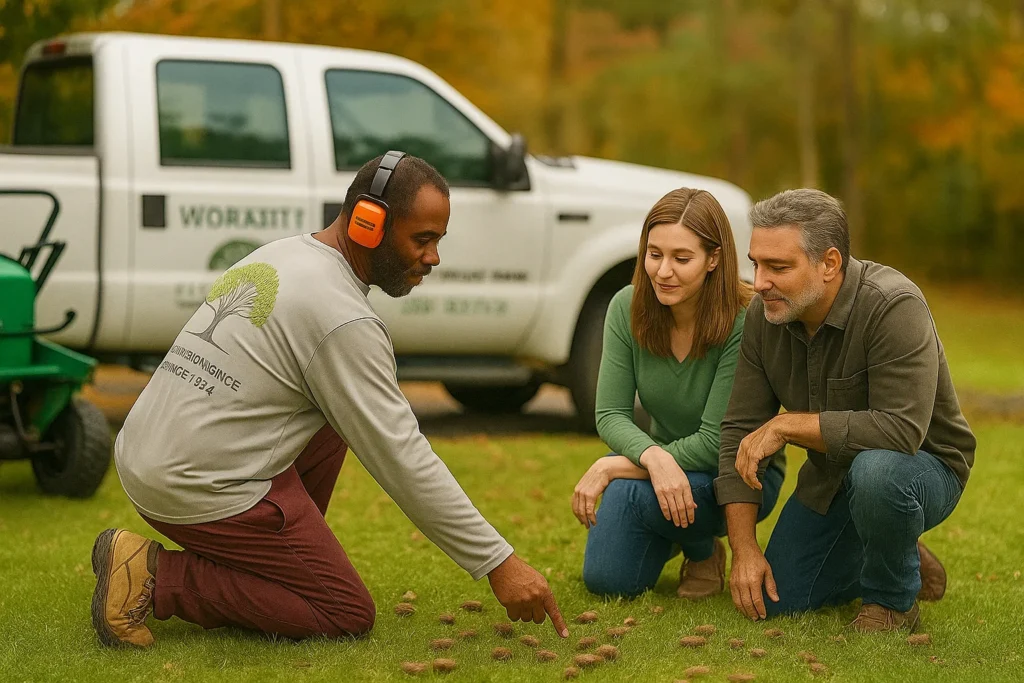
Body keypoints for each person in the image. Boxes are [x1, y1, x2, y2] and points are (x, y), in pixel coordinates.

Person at [91, 152, 568, 648]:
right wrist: (498, 563)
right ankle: (153, 573)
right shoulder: (342, 319)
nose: (434, 257)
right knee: (341, 610)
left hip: (146, 455)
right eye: (422, 239)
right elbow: (401, 456)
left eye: (438, 241)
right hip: (193, 484)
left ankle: (272, 567)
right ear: (368, 224)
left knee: (334, 417)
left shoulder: (283, 254)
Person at [716, 188, 976, 632]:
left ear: (829, 263)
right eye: (757, 263)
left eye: (779, 267)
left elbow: (901, 432)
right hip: (832, 478)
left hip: (922, 469)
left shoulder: (894, 305)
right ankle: (892, 545)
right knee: (776, 602)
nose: (759, 282)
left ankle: (891, 603)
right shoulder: (765, 315)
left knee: (877, 474)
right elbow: (740, 428)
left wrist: (786, 424)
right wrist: (744, 549)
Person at [573, 188, 785, 599]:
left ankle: (699, 544)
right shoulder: (625, 306)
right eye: (655, 254)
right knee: (608, 580)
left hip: (734, 478)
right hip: (661, 468)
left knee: (631, 492)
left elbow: (715, 444)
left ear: (714, 259)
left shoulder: (746, 319)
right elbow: (611, 414)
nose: (663, 271)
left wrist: (614, 467)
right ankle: (694, 546)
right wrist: (651, 457)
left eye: (681, 258)